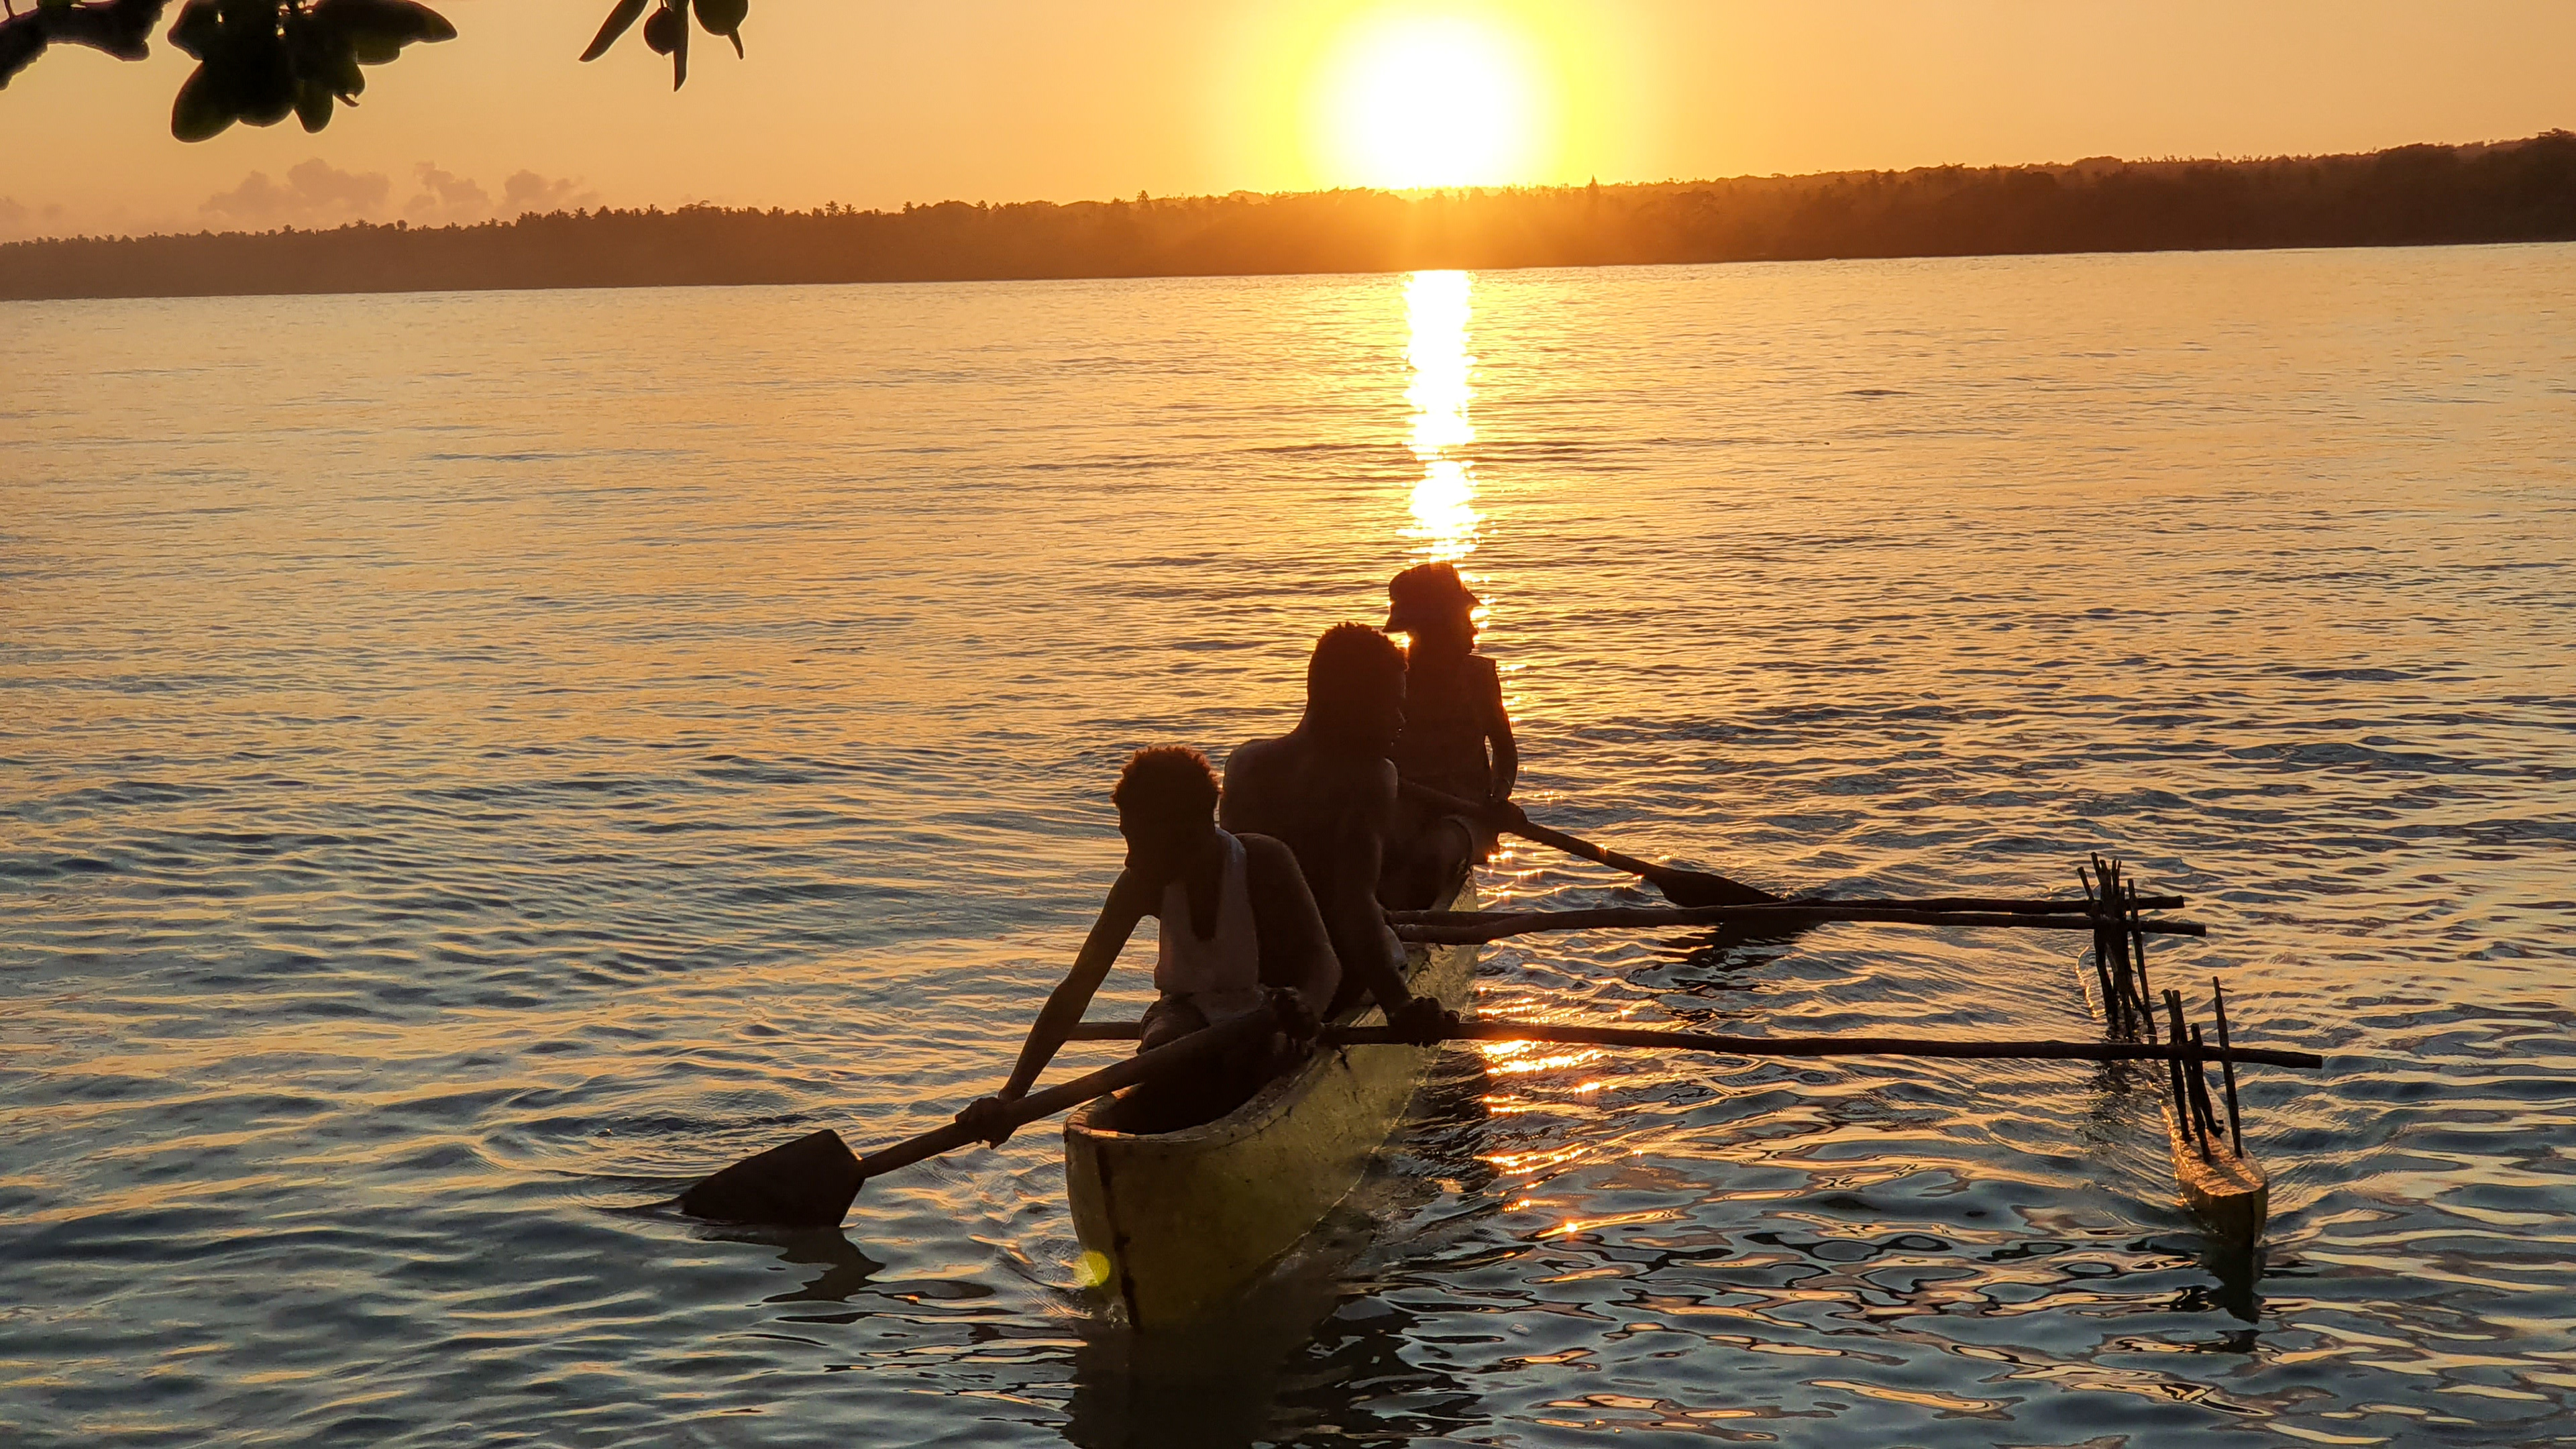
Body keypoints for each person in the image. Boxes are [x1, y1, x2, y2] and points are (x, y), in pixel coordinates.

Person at [956, 746, 1339, 1142]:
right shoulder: (1140, 884)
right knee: (1165, 1048)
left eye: (1141, 842)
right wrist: (1011, 1099)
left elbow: (1324, 960)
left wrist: (1308, 1007)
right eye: (1127, 840)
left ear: (1189, 831)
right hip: (1183, 1013)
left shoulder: (1266, 861)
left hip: (1263, 1014)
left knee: (1262, 1054)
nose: (1129, 860)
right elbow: (1075, 991)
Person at [1220, 623, 1452, 1041]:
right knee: (1386, 929)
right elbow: (1352, 905)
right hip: (1333, 975)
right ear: (1350, 702)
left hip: (1248, 967)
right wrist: (1400, 1006)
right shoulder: (1373, 776)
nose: (1402, 721)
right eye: (1391, 706)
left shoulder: (1245, 764)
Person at [1378, 561, 1519, 909]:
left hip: (1466, 810)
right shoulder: (1391, 677)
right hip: (1405, 803)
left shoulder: (1478, 678)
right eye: (1463, 620)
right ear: (1433, 629)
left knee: (1434, 853)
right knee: (1382, 846)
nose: (1474, 631)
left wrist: (1497, 798)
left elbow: (1505, 750)